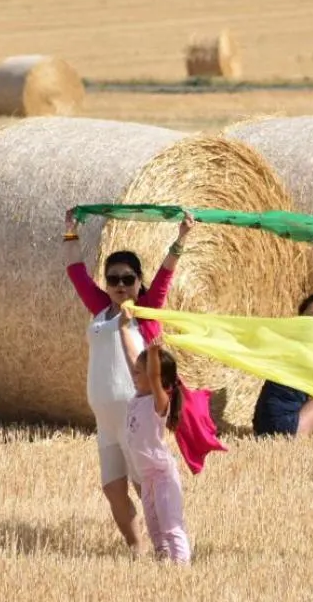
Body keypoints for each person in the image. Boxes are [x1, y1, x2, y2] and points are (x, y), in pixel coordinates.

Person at [64, 212, 220, 555]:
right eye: (113, 279)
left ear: (138, 281)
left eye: (128, 278)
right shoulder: (101, 310)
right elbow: (76, 274)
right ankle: (138, 549)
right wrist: (71, 233)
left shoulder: (147, 312)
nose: (120, 285)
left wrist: (181, 238)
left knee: (145, 485)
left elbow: (166, 275)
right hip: (106, 420)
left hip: (137, 418)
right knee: (112, 488)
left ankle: (172, 548)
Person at [117, 307, 191, 564]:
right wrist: (123, 328)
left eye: (140, 373)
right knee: (155, 528)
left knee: (171, 526)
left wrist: (154, 354)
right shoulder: (139, 396)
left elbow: (154, 375)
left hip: (162, 476)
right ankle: (162, 567)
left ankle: (182, 569)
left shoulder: (159, 403)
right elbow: (130, 358)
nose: (134, 375)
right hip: (147, 477)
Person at [252, 293, 313, 437]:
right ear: (300, 319)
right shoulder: (309, 351)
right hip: (284, 427)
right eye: (312, 316)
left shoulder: (288, 345)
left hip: (261, 427)